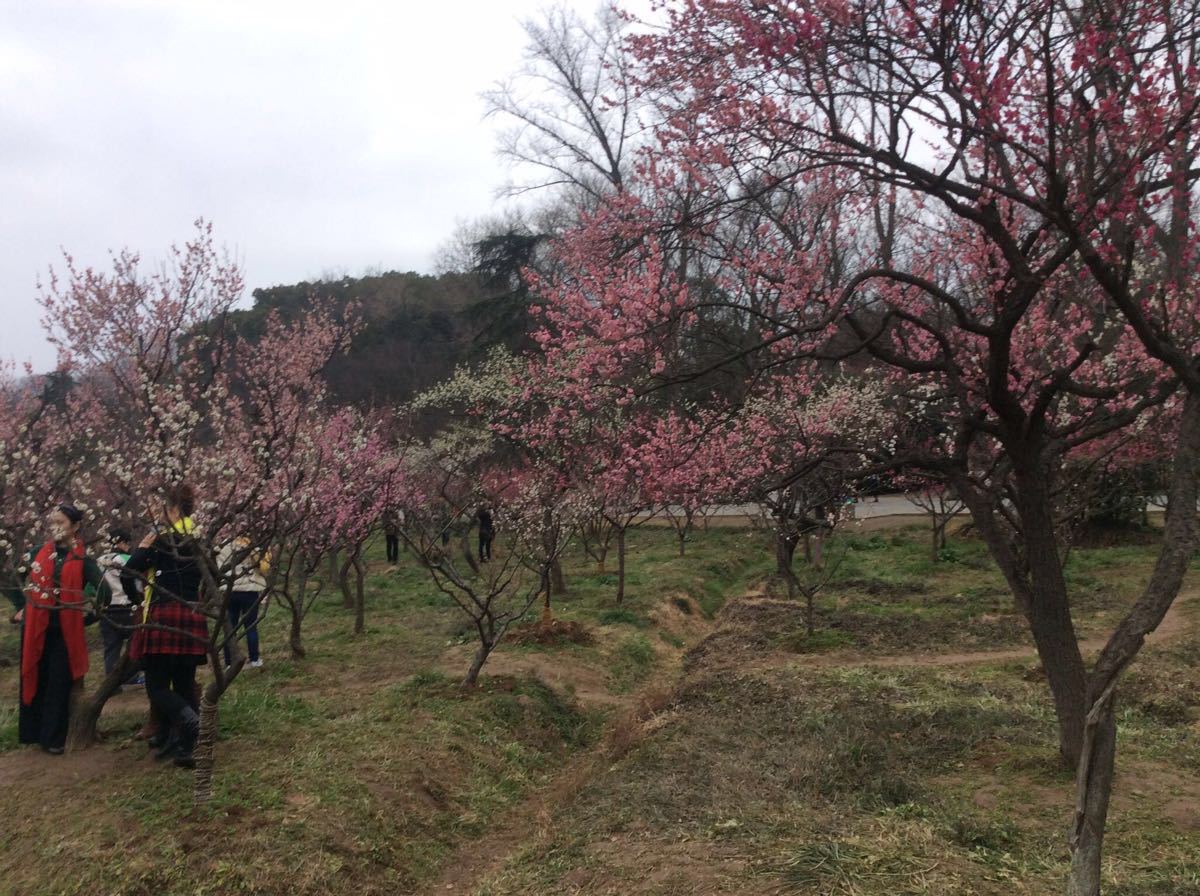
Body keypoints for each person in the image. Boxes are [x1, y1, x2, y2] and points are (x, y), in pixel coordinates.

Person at [123, 484, 209, 769]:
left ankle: (189, 721)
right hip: (192, 614)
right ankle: (186, 749)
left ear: (172, 510)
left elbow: (130, 569)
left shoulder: (161, 541)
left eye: (163, 509)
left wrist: (144, 547)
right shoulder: (200, 540)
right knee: (184, 683)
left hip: (162, 614)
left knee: (157, 687)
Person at [17, 504, 104, 754]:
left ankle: (53, 738)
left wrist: (86, 618)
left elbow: (103, 592)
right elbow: (12, 579)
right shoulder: (38, 553)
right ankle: (32, 733)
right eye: (53, 521)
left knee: (58, 683)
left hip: (64, 632)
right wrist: (20, 607)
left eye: (61, 522)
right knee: (35, 675)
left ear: (75, 527)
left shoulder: (82, 559)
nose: (55, 527)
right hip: (35, 627)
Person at [97, 528, 143, 688]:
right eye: (127, 543)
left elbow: (91, 587)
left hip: (107, 610)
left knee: (111, 648)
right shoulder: (127, 559)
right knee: (135, 643)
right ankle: (132, 677)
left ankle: (111, 683)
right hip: (127, 607)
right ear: (122, 543)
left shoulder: (100, 560)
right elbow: (137, 583)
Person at [217, 537, 268, 669]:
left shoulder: (223, 544)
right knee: (251, 626)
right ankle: (254, 659)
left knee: (230, 627)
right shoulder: (252, 544)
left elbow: (218, 566)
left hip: (230, 589)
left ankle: (229, 662)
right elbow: (263, 566)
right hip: (250, 590)